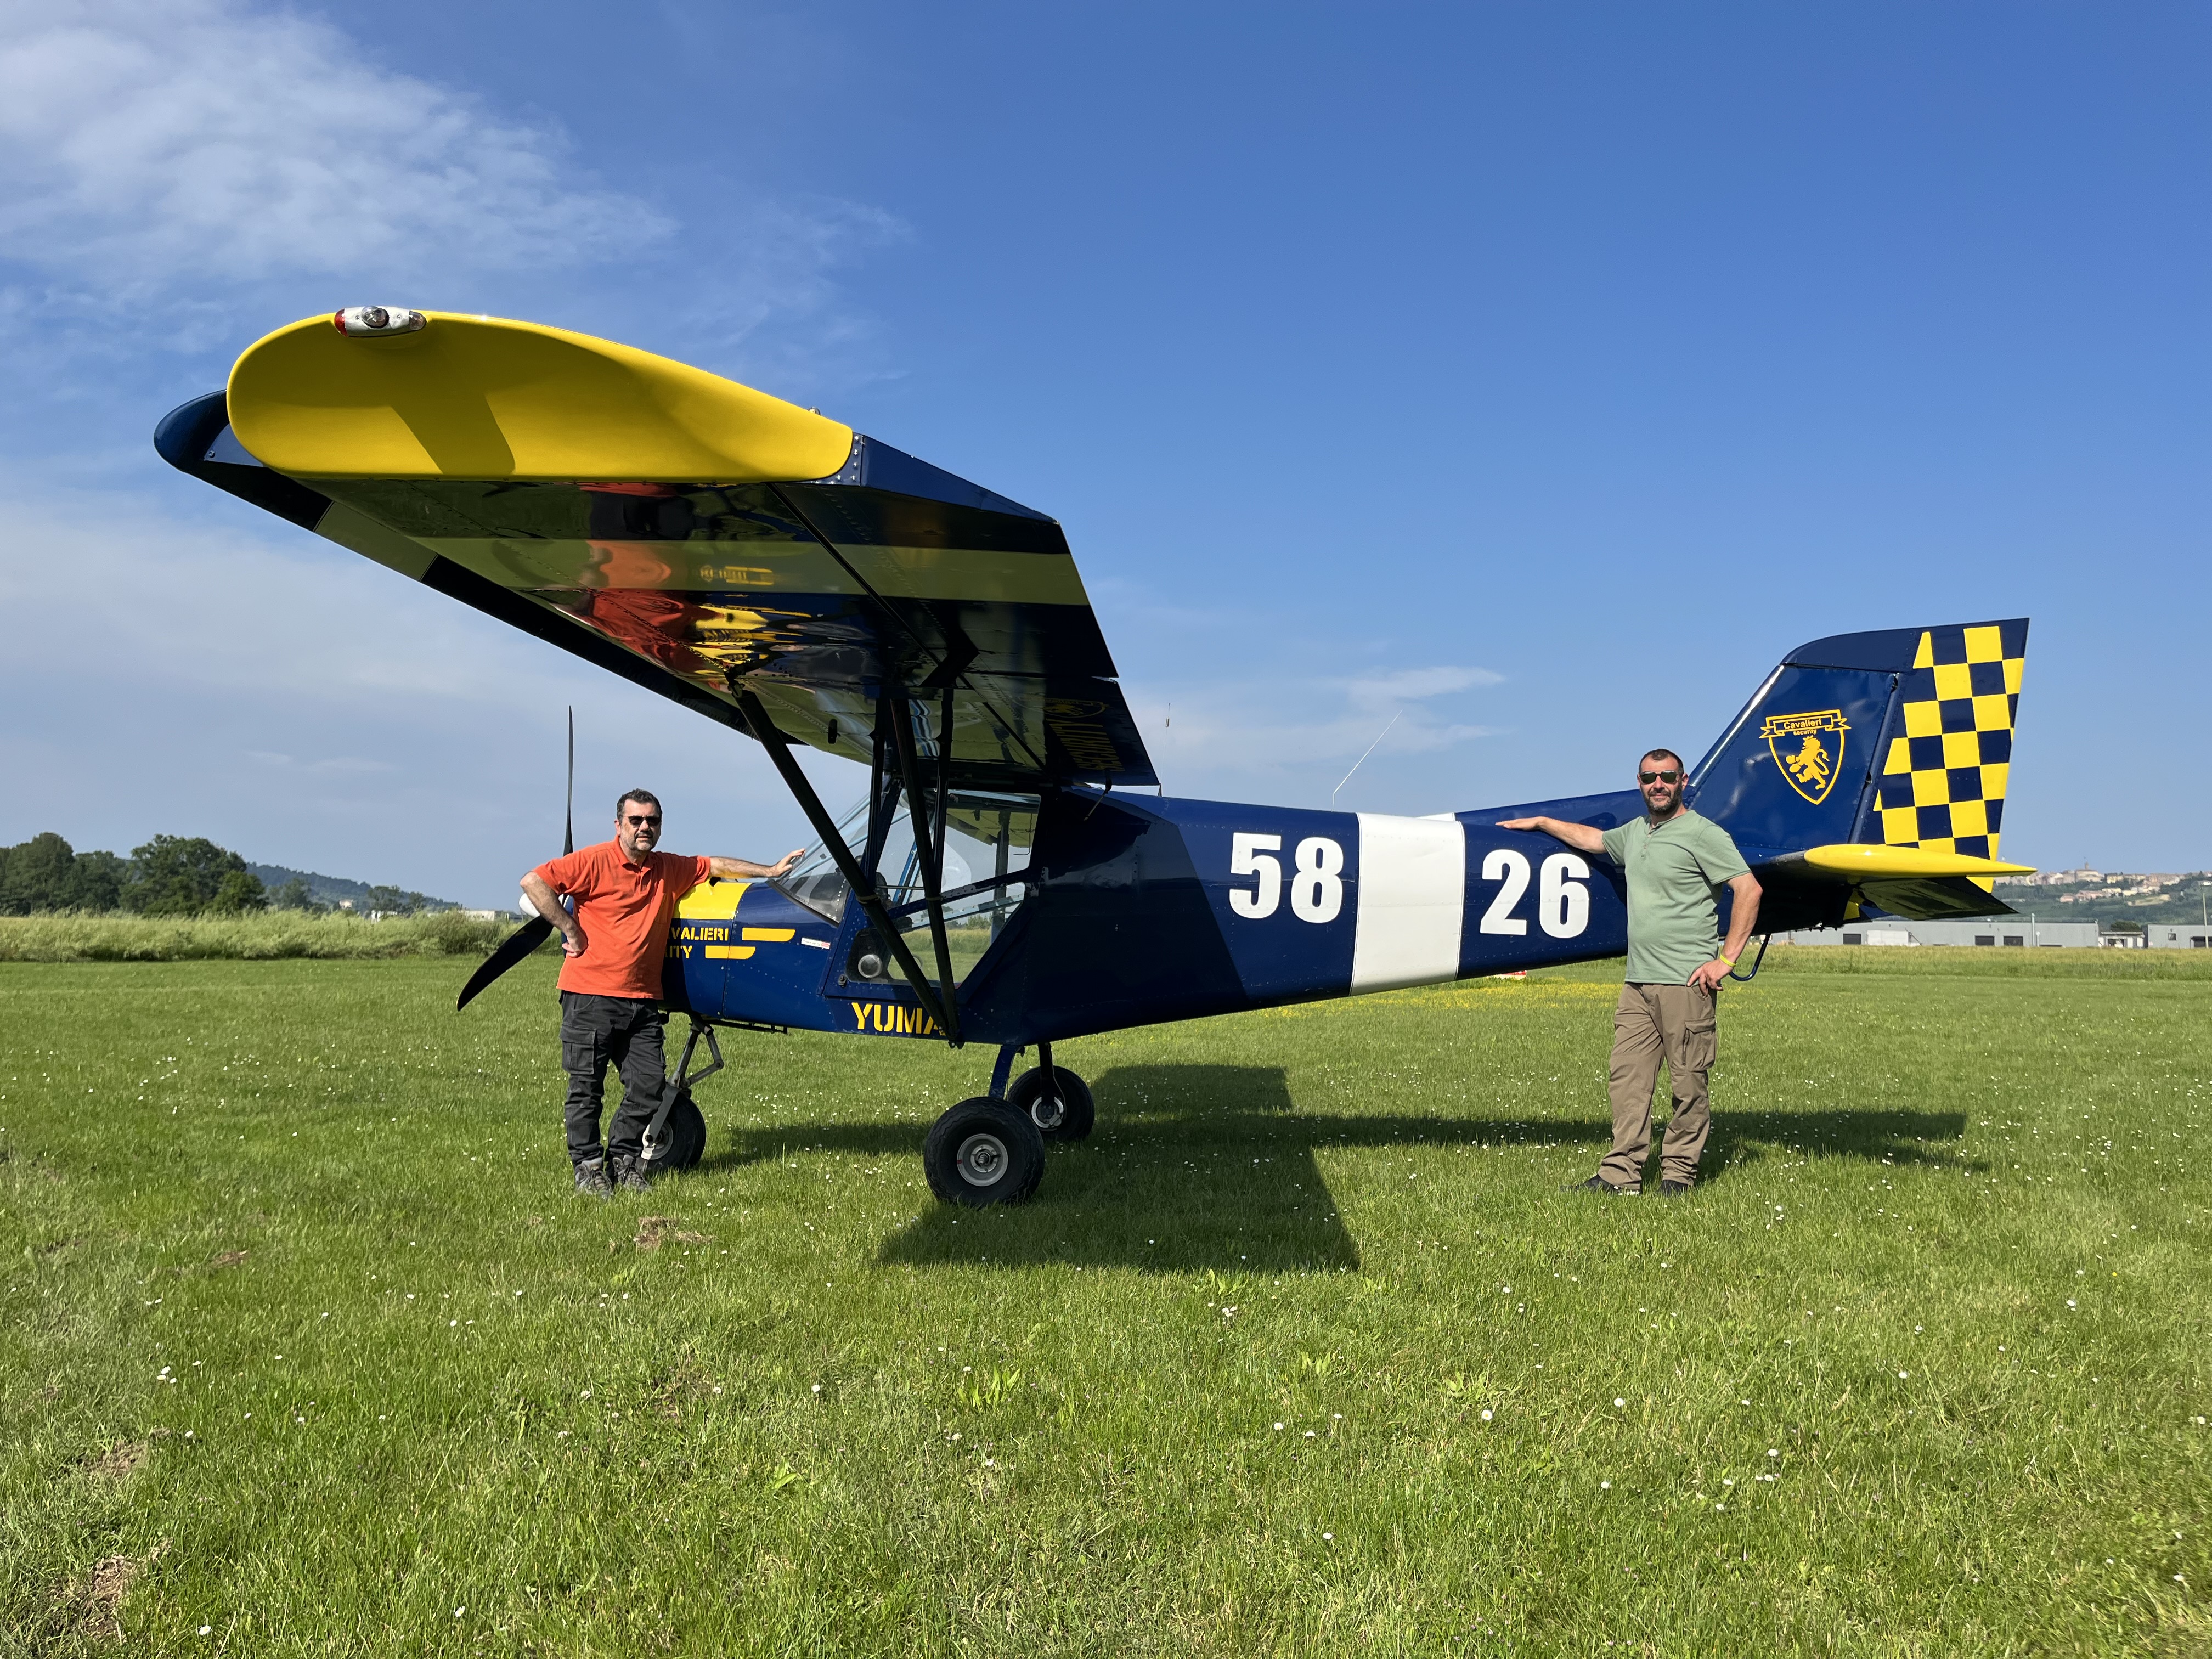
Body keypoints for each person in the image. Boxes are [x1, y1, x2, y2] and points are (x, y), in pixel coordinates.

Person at [1499, 749, 1760, 1196]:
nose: (1658, 785)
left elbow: (1749, 889)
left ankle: (1678, 1175)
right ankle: (1621, 1176)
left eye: (1667, 777)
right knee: (1627, 1081)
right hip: (1637, 983)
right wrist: (1543, 823)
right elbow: (1593, 840)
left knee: (1688, 1083)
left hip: (1686, 982)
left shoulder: (1702, 833)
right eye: (1649, 778)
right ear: (1639, 782)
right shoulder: (1637, 832)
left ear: (1683, 781)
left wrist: (1726, 961)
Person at [520, 790, 802, 1197]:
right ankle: (587, 1169)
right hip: (590, 996)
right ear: (618, 824)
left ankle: (624, 1161)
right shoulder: (592, 861)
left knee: (650, 1085)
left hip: (643, 1000)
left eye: (652, 821)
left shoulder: (668, 867)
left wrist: (771, 870)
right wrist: (570, 928)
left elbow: (716, 864)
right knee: (587, 1088)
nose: (644, 828)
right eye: (636, 821)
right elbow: (535, 882)